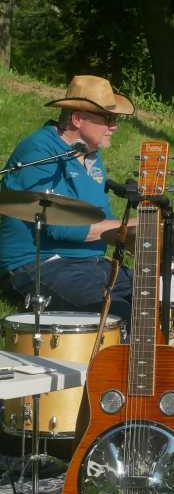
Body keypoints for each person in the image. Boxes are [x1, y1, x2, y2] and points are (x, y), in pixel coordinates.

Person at [0, 75, 135, 323]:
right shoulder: (40, 150)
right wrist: (133, 226)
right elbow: (63, 228)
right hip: (40, 265)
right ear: (77, 118)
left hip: (90, 264)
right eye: (108, 118)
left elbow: (102, 219)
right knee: (118, 313)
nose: (114, 126)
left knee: (159, 300)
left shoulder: (90, 155)